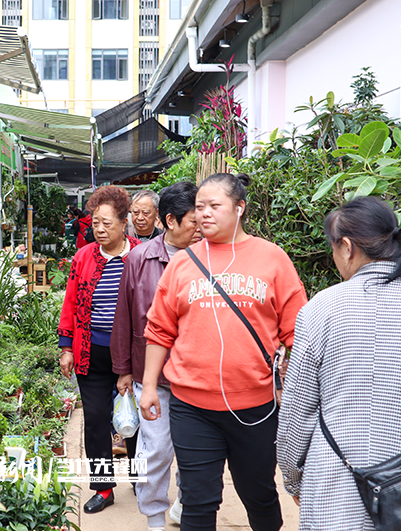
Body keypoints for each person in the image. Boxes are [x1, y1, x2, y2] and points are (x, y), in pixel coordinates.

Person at [139, 172, 307, 531]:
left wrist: (295, 384)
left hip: (255, 407)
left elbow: (298, 333)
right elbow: (159, 329)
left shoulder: (272, 259)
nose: (204, 214)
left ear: (240, 208)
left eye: (214, 206)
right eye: (199, 207)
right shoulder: (184, 262)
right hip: (191, 407)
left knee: (258, 494)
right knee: (197, 502)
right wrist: (150, 386)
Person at [277, 197, 401, 530]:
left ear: (346, 247)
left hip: (335, 490)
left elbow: (298, 410)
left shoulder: (321, 309)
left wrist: (293, 478)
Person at [112, 181, 201, 531]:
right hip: (154, 376)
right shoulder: (140, 258)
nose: (200, 227)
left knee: (196, 453)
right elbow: (125, 316)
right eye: (193, 220)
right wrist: (122, 371)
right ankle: (154, 519)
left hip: (198, 376)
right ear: (171, 221)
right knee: (157, 449)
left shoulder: (210, 256)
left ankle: (183, 504)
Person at [58, 185, 141, 514]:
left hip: (131, 357)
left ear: (124, 223)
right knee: (94, 420)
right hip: (91, 353)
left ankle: (138, 477)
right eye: (95, 224)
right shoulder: (84, 257)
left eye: (107, 223)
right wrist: (66, 347)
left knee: (133, 421)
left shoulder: (139, 256)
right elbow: (69, 304)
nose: (100, 229)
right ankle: (103, 488)